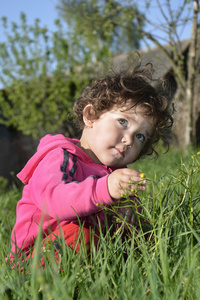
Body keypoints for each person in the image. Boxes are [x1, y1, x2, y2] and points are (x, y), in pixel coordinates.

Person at [9, 59, 173, 265]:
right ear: (91, 115)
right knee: (79, 234)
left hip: (89, 251)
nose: (129, 140)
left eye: (140, 136)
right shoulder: (60, 156)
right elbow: (55, 201)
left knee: (146, 240)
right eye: (123, 122)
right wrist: (105, 190)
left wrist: (128, 213)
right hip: (35, 256)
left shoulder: (115, 174)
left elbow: (131, 223)